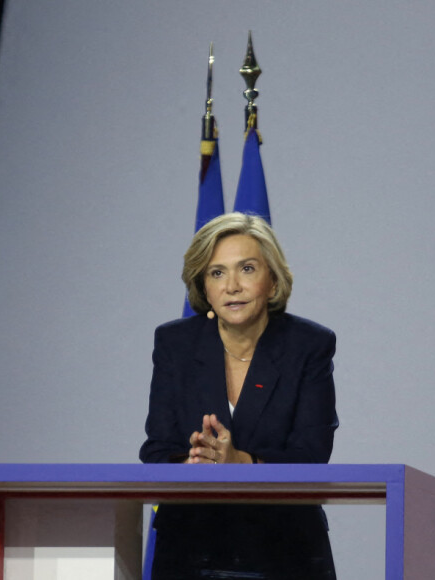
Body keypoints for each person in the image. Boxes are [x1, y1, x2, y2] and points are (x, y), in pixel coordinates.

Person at [140, 212, 338, 579]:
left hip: (285, 549)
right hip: (190, 550)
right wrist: (195, 466)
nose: (232, 285)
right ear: (203, 287)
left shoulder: (308, 345)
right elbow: (155, 448)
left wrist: (241, 463)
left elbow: (311, 455)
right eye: (217, 273)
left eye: (246, 269)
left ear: (273, 282)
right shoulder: (175, 344)